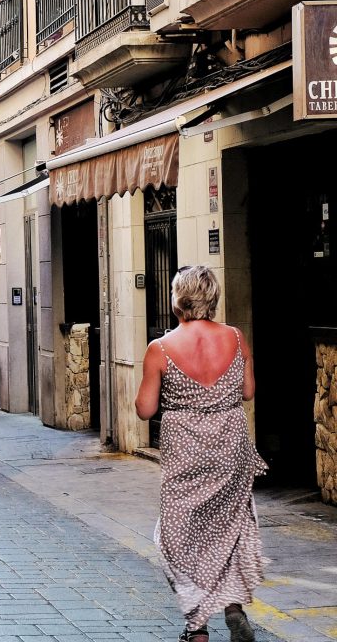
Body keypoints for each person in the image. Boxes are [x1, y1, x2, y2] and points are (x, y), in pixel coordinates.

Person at [135, 265, 265, 642]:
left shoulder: (159, 348)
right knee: (230, 530)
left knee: (176, 536)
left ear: (178, 301)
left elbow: (145, 409)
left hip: (185, 452)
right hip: (231, 447)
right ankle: (233, 605)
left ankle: (197, 628)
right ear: (213, 298)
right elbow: (247, 391)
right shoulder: (237, 339)